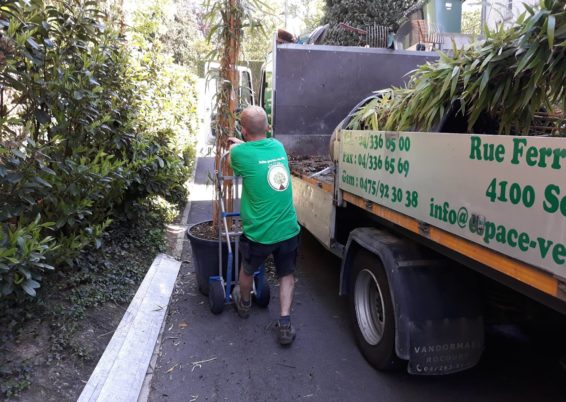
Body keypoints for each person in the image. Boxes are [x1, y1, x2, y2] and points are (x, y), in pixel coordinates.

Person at [228, 105, 300, 346]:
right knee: (286, 274)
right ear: (268, 128)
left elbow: (235, 156)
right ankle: (285, 323)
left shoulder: (239, 154)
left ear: (243, 130)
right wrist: (243, 143)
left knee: (247, 270)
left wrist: (237, 144)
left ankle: (245, 304)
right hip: (288, 228)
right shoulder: (278, 147)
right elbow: (256, 153)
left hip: (259, 233)